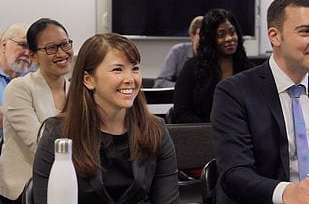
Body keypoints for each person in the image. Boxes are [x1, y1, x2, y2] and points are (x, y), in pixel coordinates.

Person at [211, 0, 309, 204]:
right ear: (275, 36)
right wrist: (287, 193)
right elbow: (235, 174)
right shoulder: (234, 92)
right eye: (306, 31)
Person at [33, 33, 178, 204]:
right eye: (118, 69)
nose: (130, 79)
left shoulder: (155, 130)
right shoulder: (59, 134)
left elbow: (167, 200)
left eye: (135, 68)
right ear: (89, 79)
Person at [0, 18, 73, 204]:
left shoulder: (76, 90)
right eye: (51, 48)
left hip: (69, 182)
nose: (62, 53)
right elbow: (40, 144)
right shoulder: (19, 88)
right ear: (33, 56)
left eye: (65, 44)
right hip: (23, 190)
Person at [173, 8, 254, 123]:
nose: (229, 39)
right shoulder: (192, 68)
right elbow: (182, 112)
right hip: (202, 135)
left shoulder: (247, 69)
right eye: (221, 35)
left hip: (241, 135)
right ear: (210, 39)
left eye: (232, 32)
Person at [0, 24, 32, 138]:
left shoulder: (32, 79)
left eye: (32, 48)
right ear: (4, 45)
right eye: (23, 45)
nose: (28, 53)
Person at [153, 16, 203, 88]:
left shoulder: (214, 54)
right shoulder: (178, 51)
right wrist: (185, 88)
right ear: (192, 35)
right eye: (201, 34)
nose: (205, 38)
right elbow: (160, 83)